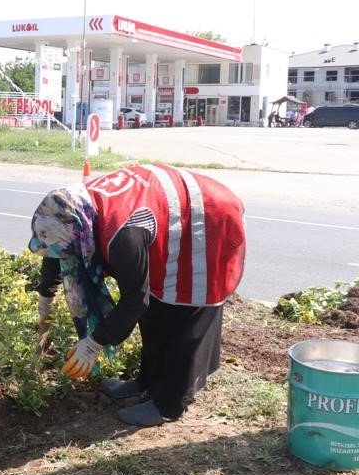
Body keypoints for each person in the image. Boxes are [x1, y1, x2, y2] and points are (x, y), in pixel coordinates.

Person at [29, 163, 246, 427]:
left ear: (82, 234)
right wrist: (45, 300)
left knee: (186, 310)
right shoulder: (69, 208)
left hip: (208, 216)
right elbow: (56, 251)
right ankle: (147, 382)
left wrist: (93, 344)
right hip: (165, 210)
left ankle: (170, 403)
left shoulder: (122, 235)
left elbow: (135, 300)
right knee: (155, 307)